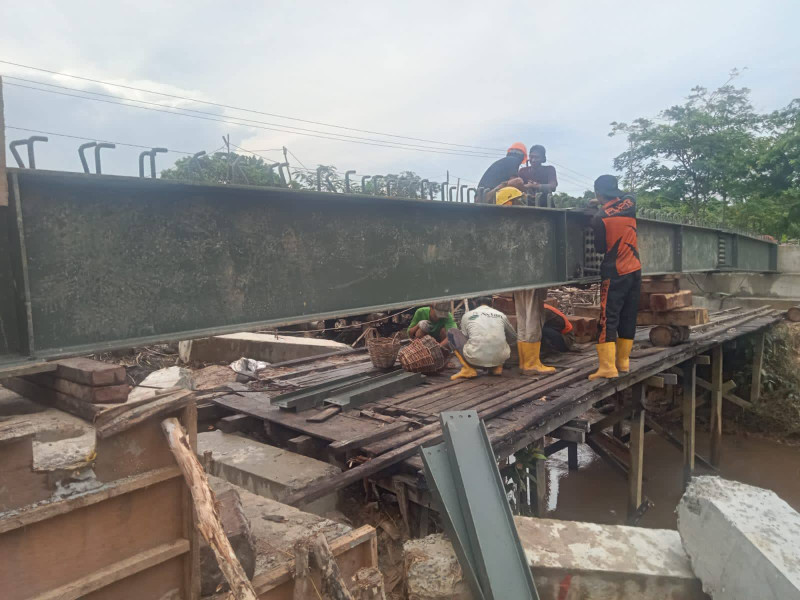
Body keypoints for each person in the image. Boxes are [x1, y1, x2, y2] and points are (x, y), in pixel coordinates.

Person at [588, 175, 641, 380]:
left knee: (608, 318)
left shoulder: (599, 217)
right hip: (635, 269)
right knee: (628, 315)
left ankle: (607, 367)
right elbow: (628, 195)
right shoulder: (630, 204)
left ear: (598, 193)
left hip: (615, 271)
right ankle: (623, 362)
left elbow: (601, 248)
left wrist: (597, 205)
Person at [448, 297, 517, 380]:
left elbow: (466, 337)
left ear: (474, 303)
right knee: (501, 334)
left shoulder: (467, 315)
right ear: (492, 301)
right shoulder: (501, 315)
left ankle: (468, 369)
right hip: (499, 359)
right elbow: (513, 337)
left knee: (452, 332)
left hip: (474, 360)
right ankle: (496, 368)